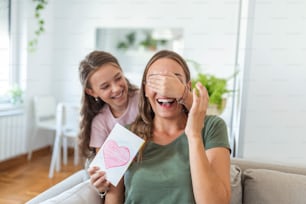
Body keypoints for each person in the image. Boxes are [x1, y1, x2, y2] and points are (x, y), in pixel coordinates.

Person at [105, 50, 231, 204]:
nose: (165, 88)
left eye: (174, 79)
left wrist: (194, 135)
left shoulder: (212, 126)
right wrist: (101, 185)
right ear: (144, 89)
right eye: (155, 81)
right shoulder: (124, 134)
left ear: (187, 87)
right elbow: (110, 196)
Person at [78, 50, 193, 199]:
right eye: (105, 86)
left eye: (118, 78)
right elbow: (110, 173)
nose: (116, 88)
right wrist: (102, 187)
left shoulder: (145, 99)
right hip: (125, 175)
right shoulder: (100, 124)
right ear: (92, 92)